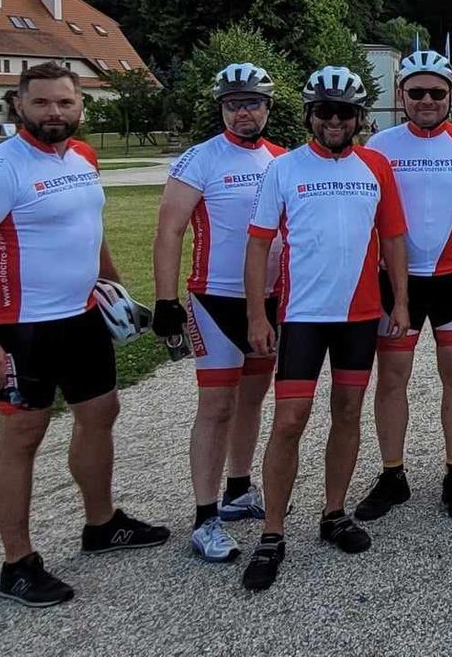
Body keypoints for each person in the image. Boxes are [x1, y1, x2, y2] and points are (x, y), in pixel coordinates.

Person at [0, 61, 167, 607]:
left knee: (101, 414)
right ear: (19, 105)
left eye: (65, 102)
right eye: (42, 102)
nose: (54, 112)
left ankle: (102, 524)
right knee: (23, 434)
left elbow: (89, 226)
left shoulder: (83, 155)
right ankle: (17, 563)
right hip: (22, 328)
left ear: (80, 106)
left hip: (82, 317)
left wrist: (113, 282)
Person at [238, 66, 408, 591]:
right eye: (324, 112)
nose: (335, 121)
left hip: (359, 315)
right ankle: (272, 533)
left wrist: (401, 301)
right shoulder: (284, 168)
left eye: (345, 113)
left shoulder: (376, 165)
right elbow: (259, 244)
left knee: (348, 412)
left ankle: (334, 512)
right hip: (303, 316)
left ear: (359, 118)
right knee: (289, 420)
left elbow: (393, 239)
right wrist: (256, 314)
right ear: (309, 116)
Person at [359, 50, 452, 523]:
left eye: (436, 92)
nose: (426, 100)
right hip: (396, 282)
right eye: (416, 92)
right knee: (392, 378)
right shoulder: (380, 145)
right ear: (401, 95)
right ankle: (392, 472)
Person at [151, 63, 284, 564]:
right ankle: (205, 517)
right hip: (214, 298)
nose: (243, 112)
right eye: (233, 104)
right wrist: (166, 300)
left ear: (267, 107)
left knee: (252, 399)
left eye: (251, 103)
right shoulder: (200, 158)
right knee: (216, 406)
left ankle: (239, 490)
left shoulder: (281, 158)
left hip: (268, 299)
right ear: (221, 108)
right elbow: (169, 231)